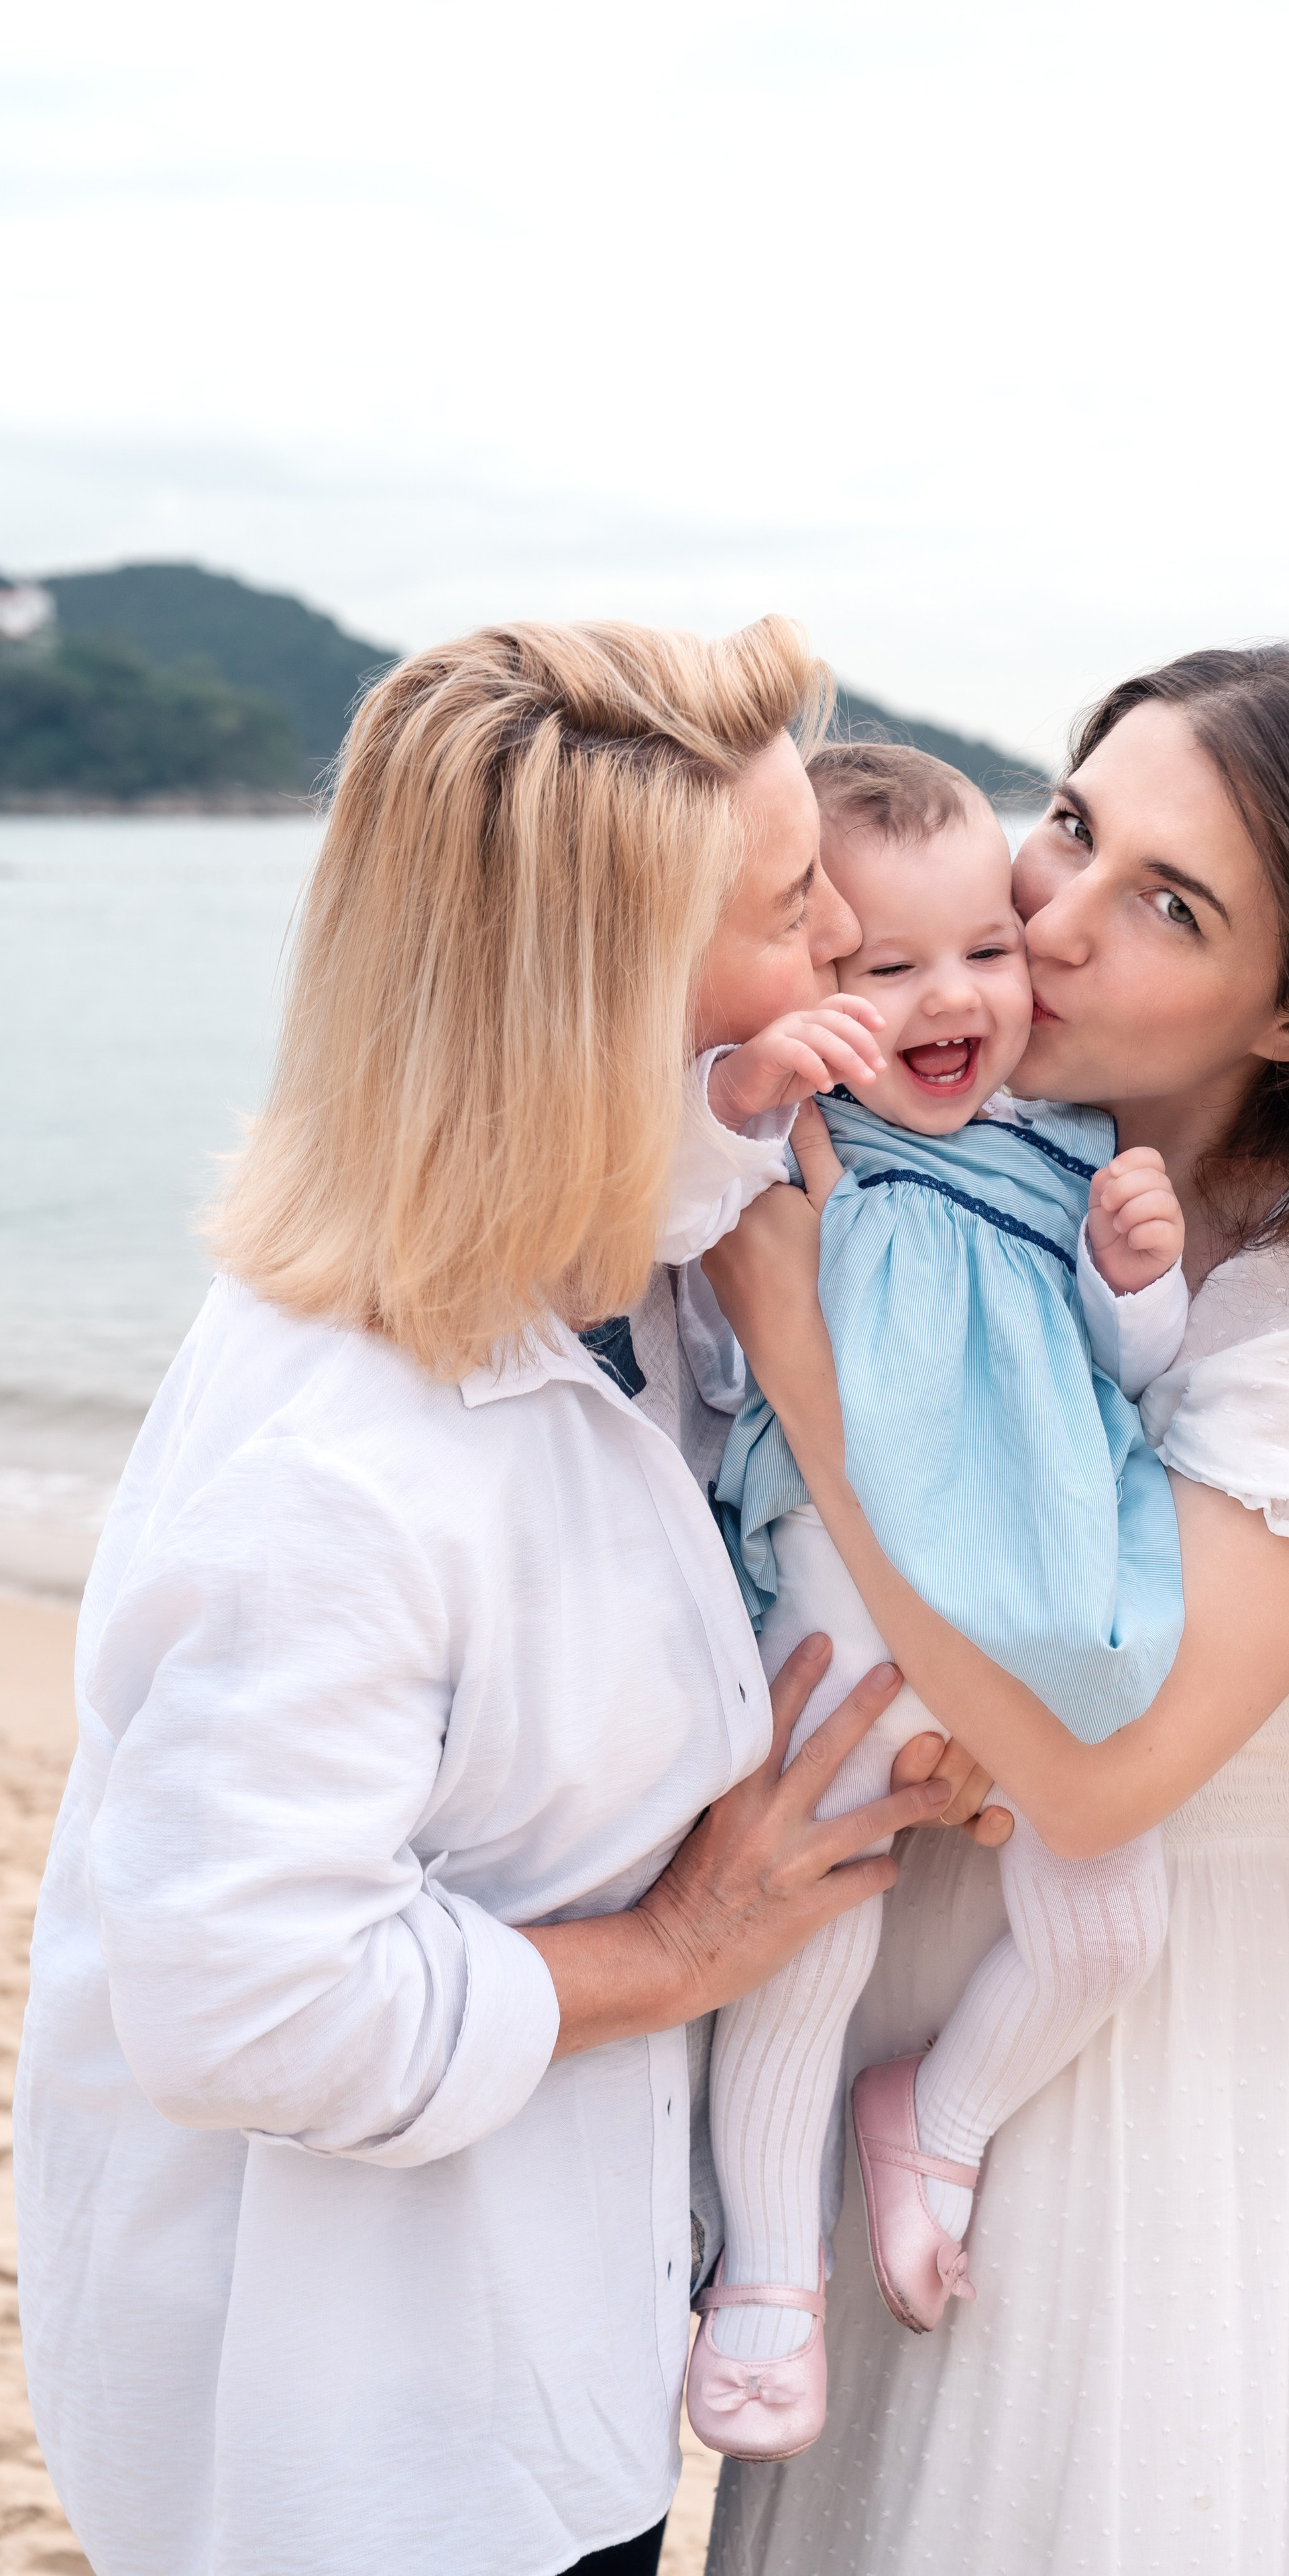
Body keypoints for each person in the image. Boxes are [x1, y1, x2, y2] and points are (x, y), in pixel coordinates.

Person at [12, 616, 964, 2576]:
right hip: (364, 2455)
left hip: (554, 2361)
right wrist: (689, 1949)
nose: (850, 949)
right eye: (800, 910)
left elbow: (704, 1165)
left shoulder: (605, 1242)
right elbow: (254, 2010)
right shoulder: (337, 1467)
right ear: (605, 1003)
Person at [700, 644, 1289, 2575]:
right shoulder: (990, 1165)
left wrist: (804, 1371)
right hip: (925, 1974)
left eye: (1166, 903)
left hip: (1168, 2083)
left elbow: (1100, 1779)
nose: (1049, 916)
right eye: (1072, 824)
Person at [684, 744, 1187, 2461]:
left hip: (1033, 1618)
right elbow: (675, 1228)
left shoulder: (1058, 1147)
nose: (947, 998)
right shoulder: (794, 1141)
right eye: (876, 968)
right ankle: (766, 2274)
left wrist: (1139, 1279)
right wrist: (747, 1083)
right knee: (800, 1944)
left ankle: (941, 2120)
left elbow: (1127, 1386)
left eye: (982, 946)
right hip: (839, 1640)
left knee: (1113, 1921)